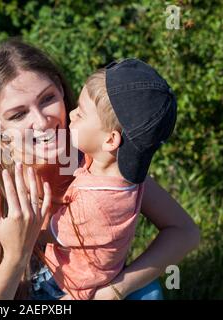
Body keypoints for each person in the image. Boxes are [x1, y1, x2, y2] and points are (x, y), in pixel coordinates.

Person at [0, 39, 200, 300]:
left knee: (146, 293)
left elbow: (184, 232)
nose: (41, 122)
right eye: (18, 115)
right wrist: (17, 255)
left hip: (91, 290)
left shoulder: (97, 155)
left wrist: (113, 291)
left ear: (61, 90)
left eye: (47, 99)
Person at [39, 59, 178, 300]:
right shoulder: (125, 177)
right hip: (102, 276)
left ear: (111, 141)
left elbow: (44, 235)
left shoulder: (93, 204)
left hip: (66, 287)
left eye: (80, 113)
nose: (70, 113)